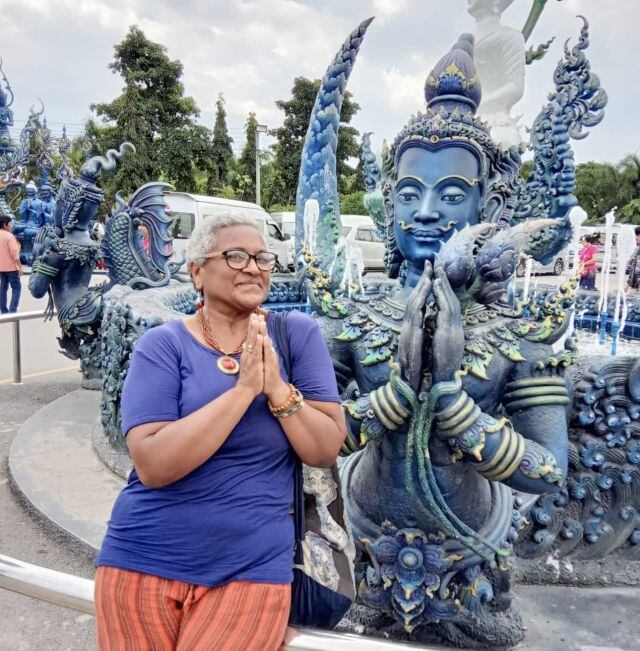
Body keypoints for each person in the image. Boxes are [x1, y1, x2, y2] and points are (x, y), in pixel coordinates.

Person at [94, 213, 346, 651]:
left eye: (262, 257)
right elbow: (152, 465)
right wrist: (244, 390)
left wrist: (277, 389)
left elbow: (324, 448)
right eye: (235, 256)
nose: (253, 266)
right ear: (196, 271)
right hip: (142, 556)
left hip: (249, 568)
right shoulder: (162, 346)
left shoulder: (295, 336)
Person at [0, 215, 23, 313]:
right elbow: (15, 255)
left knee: (3, 288)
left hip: (1, 268)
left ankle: (4, 310)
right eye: (10, 223)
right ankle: (12, 311)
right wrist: (20, 267)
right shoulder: (9, 236)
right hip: (11, 268)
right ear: (5, 224)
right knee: (16, 288)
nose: (11, 225)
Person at [626, 226, 640, 291]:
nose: (635, 238)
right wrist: (629, 285)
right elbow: (634, 269)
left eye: (638, 235)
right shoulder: (637, 249)